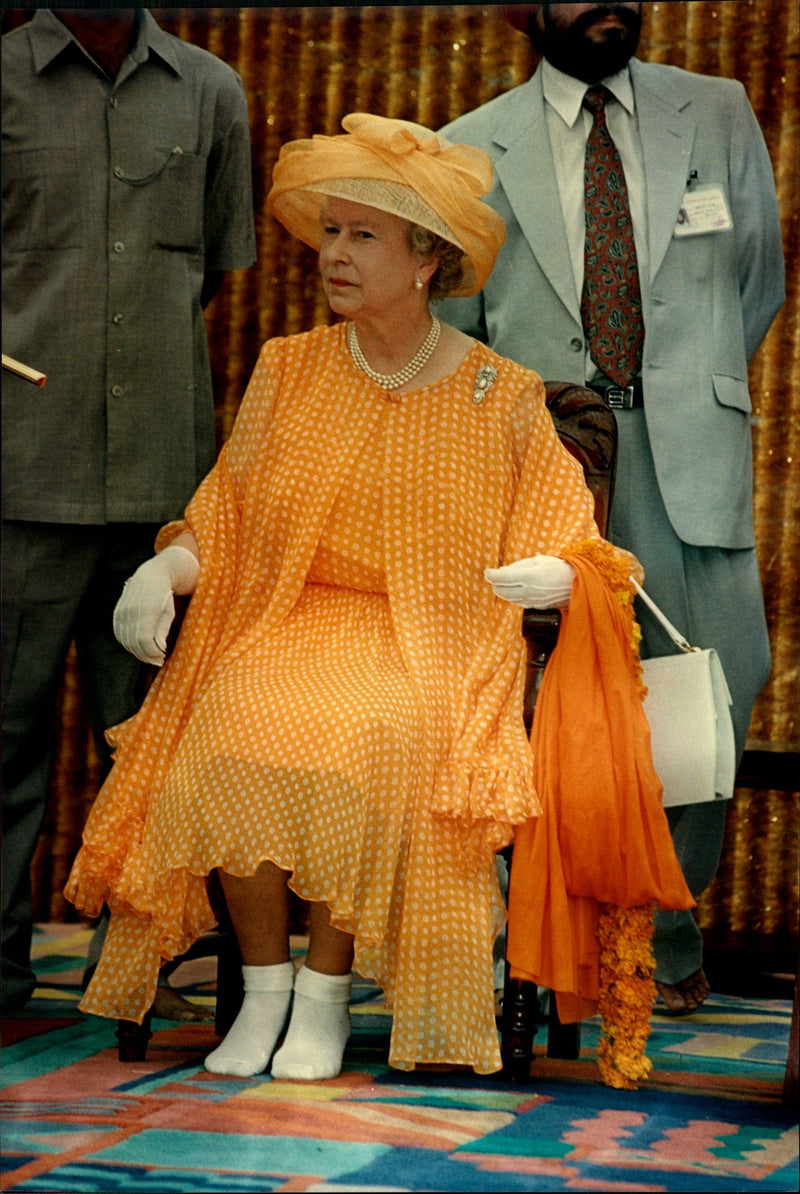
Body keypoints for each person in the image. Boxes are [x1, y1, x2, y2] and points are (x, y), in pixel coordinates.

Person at [64, 112, 691, 1079]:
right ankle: (263, 990)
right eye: (331, 232)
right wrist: (165, 568)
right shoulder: (289, 368)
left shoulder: (502, 393)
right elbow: (225, 513)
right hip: (287, 619)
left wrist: (559, 574)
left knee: (374, 733)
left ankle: (322, 997)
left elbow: (573, 535)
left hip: (431, 641)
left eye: (364, 235)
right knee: (231, 720)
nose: (335, 254)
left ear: (427, 259)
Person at [439, 1, 785, 1015]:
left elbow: (753, 283)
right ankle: (548, 949)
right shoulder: (467, 145)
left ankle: (664, 944)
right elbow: (460, 323)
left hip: (686, 448)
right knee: (541, 706)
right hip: (545, 457)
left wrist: (677, 389)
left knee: (710, 690)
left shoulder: (715, 111)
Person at [1, 9, 256, 1016]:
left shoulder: (211, 90)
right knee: (4, 740)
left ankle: (132, 970)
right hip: (18, 474)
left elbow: (204, 278)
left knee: (150, 747)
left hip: (161, 494)